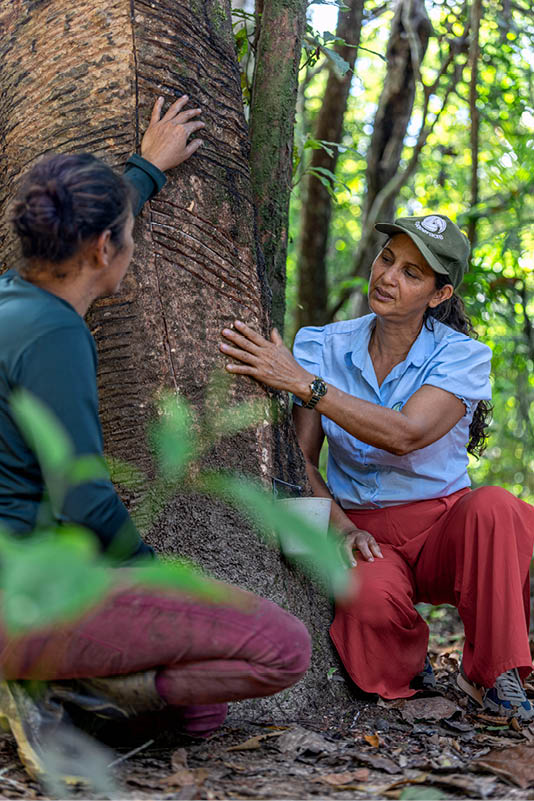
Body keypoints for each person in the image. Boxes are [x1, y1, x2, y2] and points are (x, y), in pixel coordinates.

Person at [0, 95, 311, 781]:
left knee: (200, 708)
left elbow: (95, 233)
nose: (131, 247)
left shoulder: (12, 304)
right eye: (126, 236)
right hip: (24, 598)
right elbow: (85, 499)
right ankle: (58, 686)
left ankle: (62, 685)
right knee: (282, 647)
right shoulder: (54, 335)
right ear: (104, 246)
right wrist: (158, 576)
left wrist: (141, 172)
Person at [220, 213, 534, 723]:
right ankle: (413, 668)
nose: (388, 277)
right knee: (367, 603)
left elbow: (405, 434)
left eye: (413, 273)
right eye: (387, 259)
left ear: (439, 294)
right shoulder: (323, 345)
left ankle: (493, 676)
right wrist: (336, 526)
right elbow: (297, 457)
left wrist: (306, 385)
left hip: (444, 530)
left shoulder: (464, 356)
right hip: (364, 531)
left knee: (498, 507)